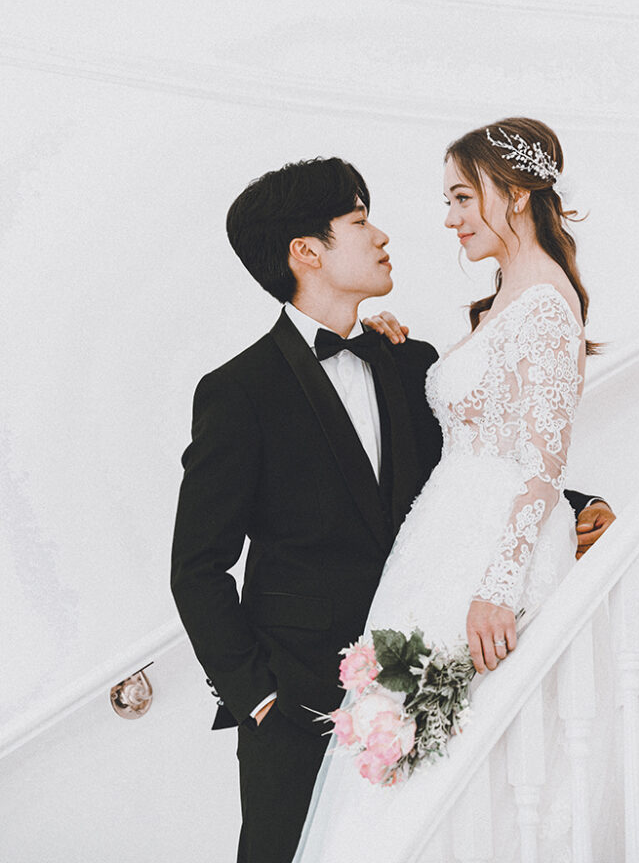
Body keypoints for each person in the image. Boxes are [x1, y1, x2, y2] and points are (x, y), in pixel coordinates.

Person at [170, 152, 614, 863]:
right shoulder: (237, 391)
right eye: (358, 221)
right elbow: (197, 566)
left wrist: (575, 506)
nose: (381, 235)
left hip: (423, 671)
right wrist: (258, 699)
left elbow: (469, 470)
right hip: (298, 701)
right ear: (307, 251)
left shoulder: (408, 361)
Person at [292, 120, 615, 863]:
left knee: (471, 757)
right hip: (439, 545)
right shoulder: (507, 298)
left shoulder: (545, 303)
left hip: (489, 559)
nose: (449, 218)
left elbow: (542, 465)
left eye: (463, 197)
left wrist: (498, 588)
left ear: (517, 193)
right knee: (405, 749)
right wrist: (389, 347)